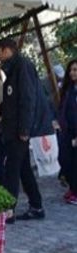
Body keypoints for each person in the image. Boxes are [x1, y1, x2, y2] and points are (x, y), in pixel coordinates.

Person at [0, 38, 54, 221]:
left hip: (19, 129)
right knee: (22, 168)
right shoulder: (13, 69)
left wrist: (24, 129)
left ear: (7, 50)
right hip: (14, 127)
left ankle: (8, 210)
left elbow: (27, 99)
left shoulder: (23, 66)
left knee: (11, 168)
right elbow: (13, 99)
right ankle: (36, 206)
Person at [56, 59, 77, 205]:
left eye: (75, 70)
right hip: (67, 132)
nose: (72, 73)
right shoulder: (68, 89)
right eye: (71, 70)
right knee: (66, 160)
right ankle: (73, 188)